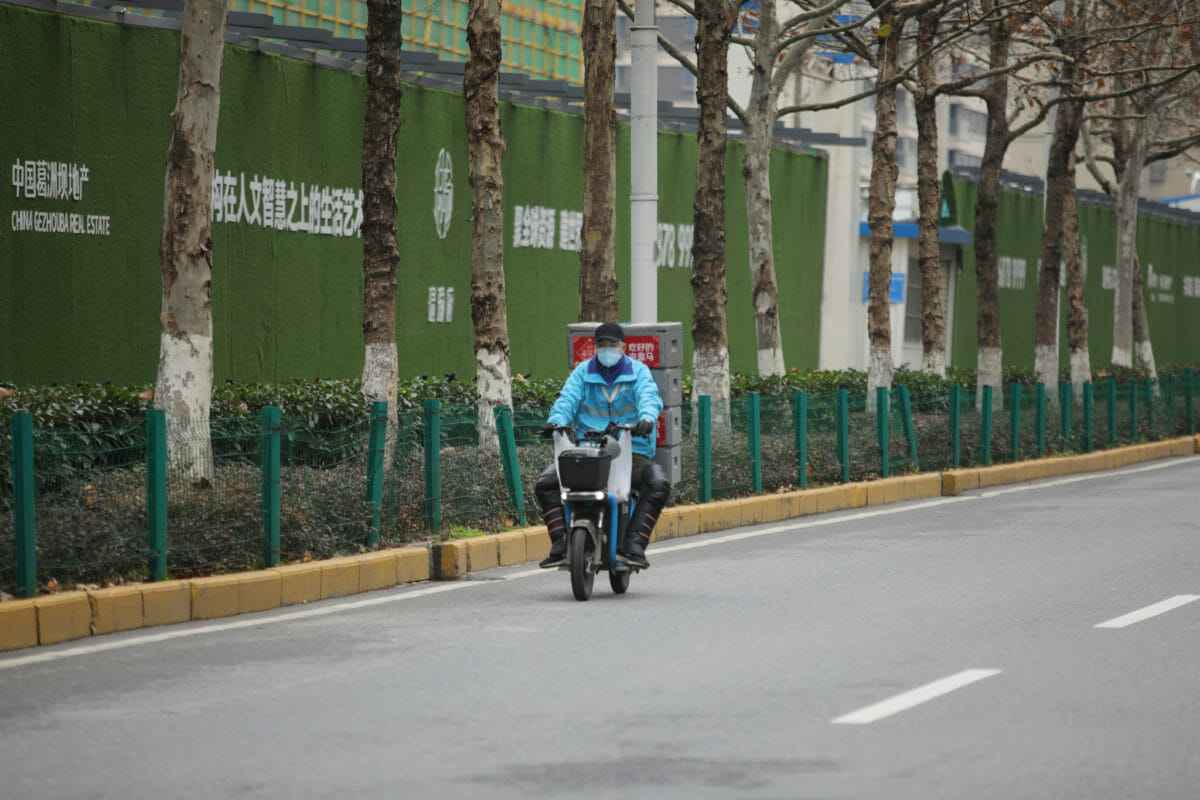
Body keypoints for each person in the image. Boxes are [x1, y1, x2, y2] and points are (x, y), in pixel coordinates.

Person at [536, 322, 671, 569]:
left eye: (612, 344)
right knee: (546, 484)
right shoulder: (582, 372)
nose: (607, 349)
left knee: (658, 484)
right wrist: (555, 422)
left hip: (631, 452)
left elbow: (649, 397)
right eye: (602, 344)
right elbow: (567, 400)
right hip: (586, 452)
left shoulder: (639, 371)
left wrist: (647, 419)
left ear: (623, 347)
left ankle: (634, 545)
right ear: (595, 347)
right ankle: (561, 543)